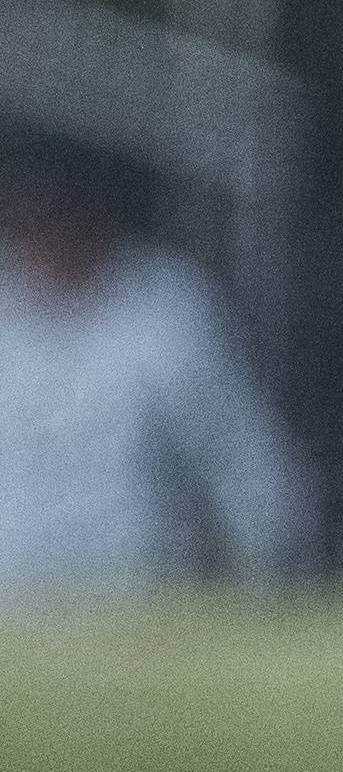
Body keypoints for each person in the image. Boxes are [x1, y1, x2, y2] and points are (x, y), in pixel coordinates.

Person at [0, 130, 311, 605]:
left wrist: (277, 563)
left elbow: (233, 447)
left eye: (60, 219)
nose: (47, 240)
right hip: (14, 599)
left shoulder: (162, 308)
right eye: (31, 224)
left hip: (134, 594)